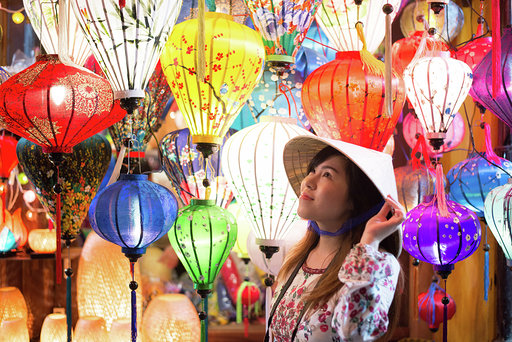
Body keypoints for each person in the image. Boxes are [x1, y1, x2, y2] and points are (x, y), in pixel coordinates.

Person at [266, 135, 405, 342]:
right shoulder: (295, 257)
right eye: (312, 171)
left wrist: (368, 244)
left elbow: (355, 332)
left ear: (355, 200)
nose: (308, 182)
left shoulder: (380, 264)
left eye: (327, 175)